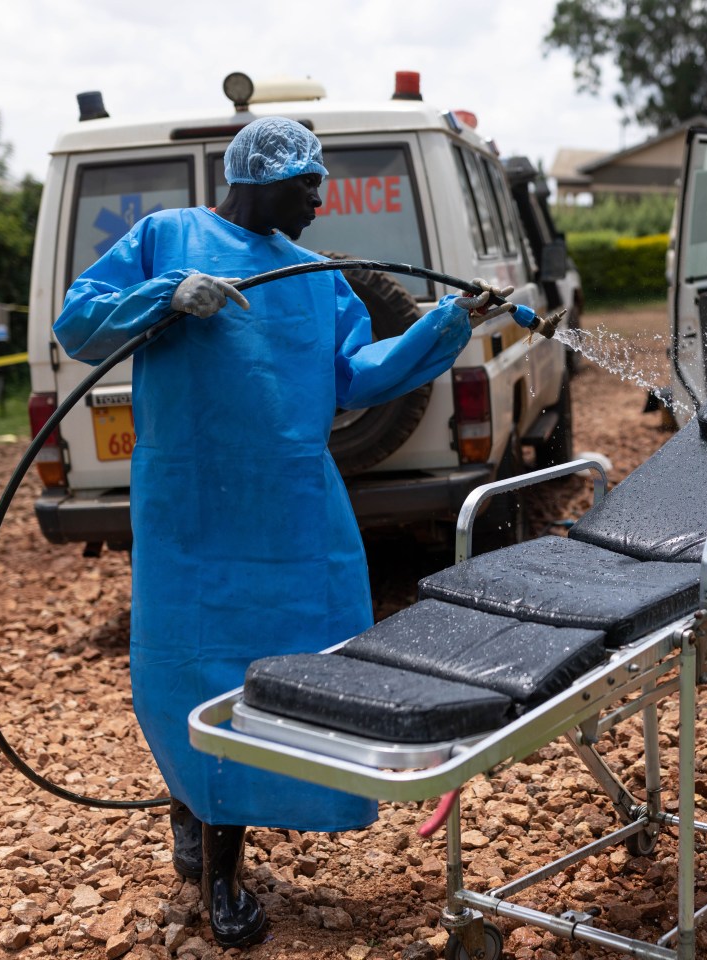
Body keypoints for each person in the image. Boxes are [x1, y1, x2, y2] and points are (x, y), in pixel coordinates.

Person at [54, 117, 512, 948]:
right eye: (309, 183)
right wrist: (165, 294)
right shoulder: (168, 237)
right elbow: (77, 324)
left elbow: (357, 376)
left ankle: (218, 809)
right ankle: (213, 861)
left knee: (305, 672)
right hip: (194, 513)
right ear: (261, 177)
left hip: (296, 513)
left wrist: (447, 325)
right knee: (195, 677)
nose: (320, 197)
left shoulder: (316, 275)